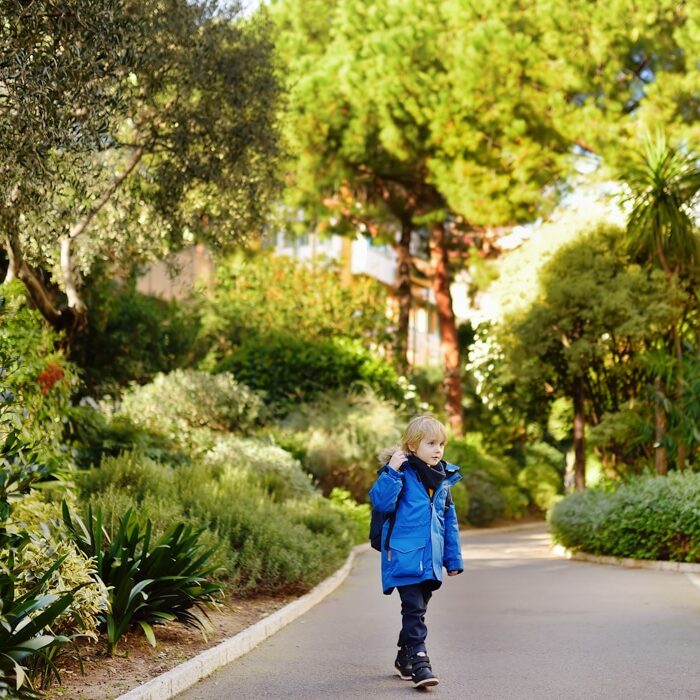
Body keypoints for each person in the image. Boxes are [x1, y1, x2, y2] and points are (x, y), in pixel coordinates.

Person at [369, 414, 464, 689]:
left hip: (430, 560)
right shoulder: (399, 473)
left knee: (417, 611)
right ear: (412, 446)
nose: (438, 450)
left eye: (441, 444)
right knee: (413, 610)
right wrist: (392, 471)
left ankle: (403, 657)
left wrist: (452, 558)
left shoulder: (443, 479)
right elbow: (381, 503)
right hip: (404, 556)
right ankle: (421, 663)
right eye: (431, 443)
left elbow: (449, 523)